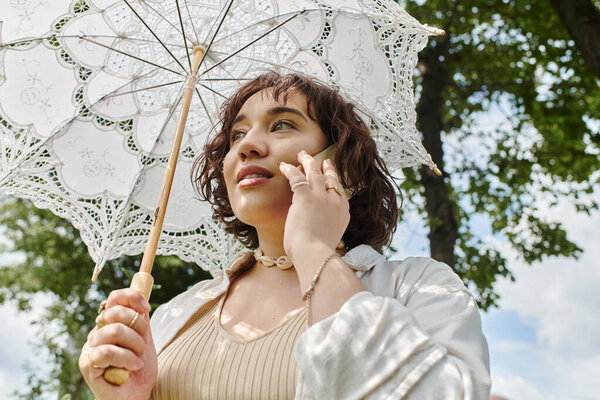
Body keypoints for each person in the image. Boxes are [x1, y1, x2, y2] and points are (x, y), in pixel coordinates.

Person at [79, 72, 491, 399]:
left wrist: (313, 248)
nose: (248, 146)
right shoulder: (173, 317)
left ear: (340, 162)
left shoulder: (419, 288)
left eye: (281, 125)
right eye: (237, 135)